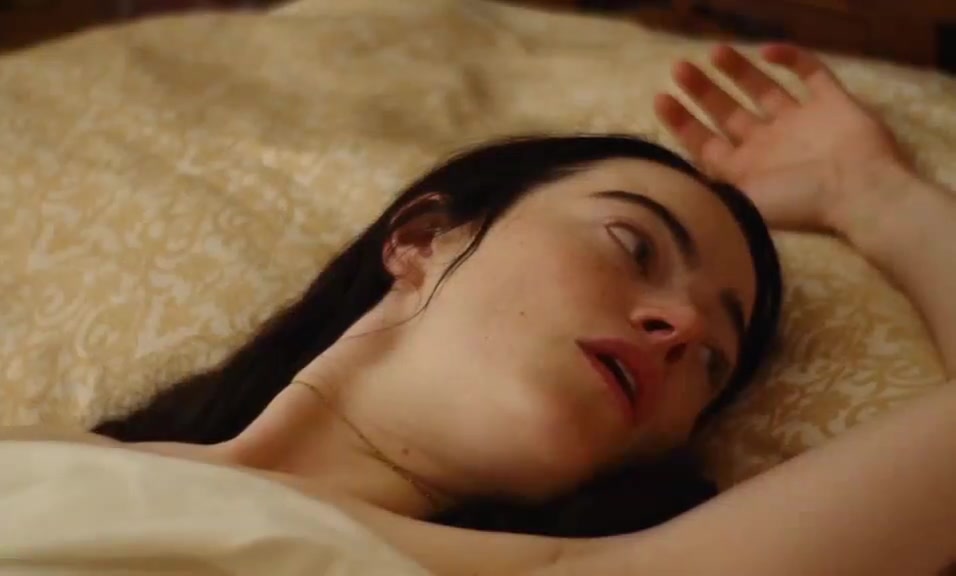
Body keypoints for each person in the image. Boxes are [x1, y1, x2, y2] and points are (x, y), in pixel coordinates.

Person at [5, 43, 956, 575]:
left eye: (714, 366)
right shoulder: (39, 456)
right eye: (633, 247)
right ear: (423, 238)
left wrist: (876, 196)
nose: (688, 331)